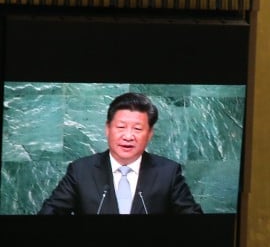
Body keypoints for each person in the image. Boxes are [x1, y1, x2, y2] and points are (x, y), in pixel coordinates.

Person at [38, 92, 203, 216]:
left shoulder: (168, 172)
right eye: (121, 127)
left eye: (137, 129)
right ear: (108, 129)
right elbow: (50, 211)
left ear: (150, 134)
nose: (128, 136)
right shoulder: (81, 171)